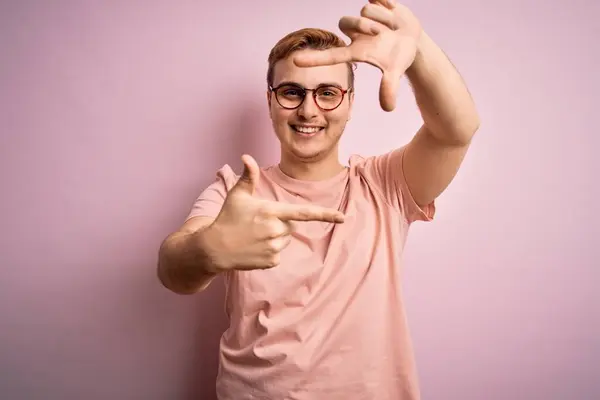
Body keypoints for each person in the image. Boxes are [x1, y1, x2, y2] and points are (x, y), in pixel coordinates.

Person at [157, 1, 480, 399]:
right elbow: (172, 271)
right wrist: (206, 249)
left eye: (327, 92)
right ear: (271, 100)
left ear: (349, 101)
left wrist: (419, 51)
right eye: (291, 92)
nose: (309, 110)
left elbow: (456, 131)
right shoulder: (235, 193)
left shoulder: (386, 184)